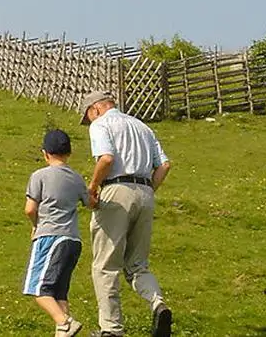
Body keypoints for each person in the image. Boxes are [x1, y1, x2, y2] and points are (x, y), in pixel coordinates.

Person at [79, 90, 173, 337]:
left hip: (116, 191)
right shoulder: (142, 127)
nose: (89, 122)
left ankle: (111, 329)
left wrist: (91, 188)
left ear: (96, 109)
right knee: (137, 265)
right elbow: (164, 165)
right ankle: (158, 304)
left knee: (105, 265)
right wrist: (149, 189)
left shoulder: (101, 124)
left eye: (88, 116)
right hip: (145, 193)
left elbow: (107, 158)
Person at [23, 128, 92, 337]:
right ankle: (63, 332)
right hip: (73, 240)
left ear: (45, 153)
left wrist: (35, 225)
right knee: (59, 291)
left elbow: (29, 209)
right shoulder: (77, 178)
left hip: (49, 236)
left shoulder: (40, 176)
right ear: (69, 152)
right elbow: (90, 202)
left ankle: (65, 322)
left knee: (37, 288)